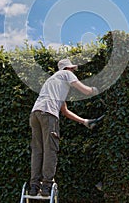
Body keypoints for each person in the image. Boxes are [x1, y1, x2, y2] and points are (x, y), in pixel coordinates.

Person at [29, 58, 98, 197]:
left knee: (38, 150)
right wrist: (95, 90)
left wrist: (84, 121)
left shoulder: (52, 82)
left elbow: (65, 111)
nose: (74, 71)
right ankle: (46, 186)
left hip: (35, 114)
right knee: (50, 150)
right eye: (72, 69)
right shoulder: (66, 74)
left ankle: (34, 186)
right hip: (48, 114)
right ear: (68, 68)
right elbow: (85, 90)